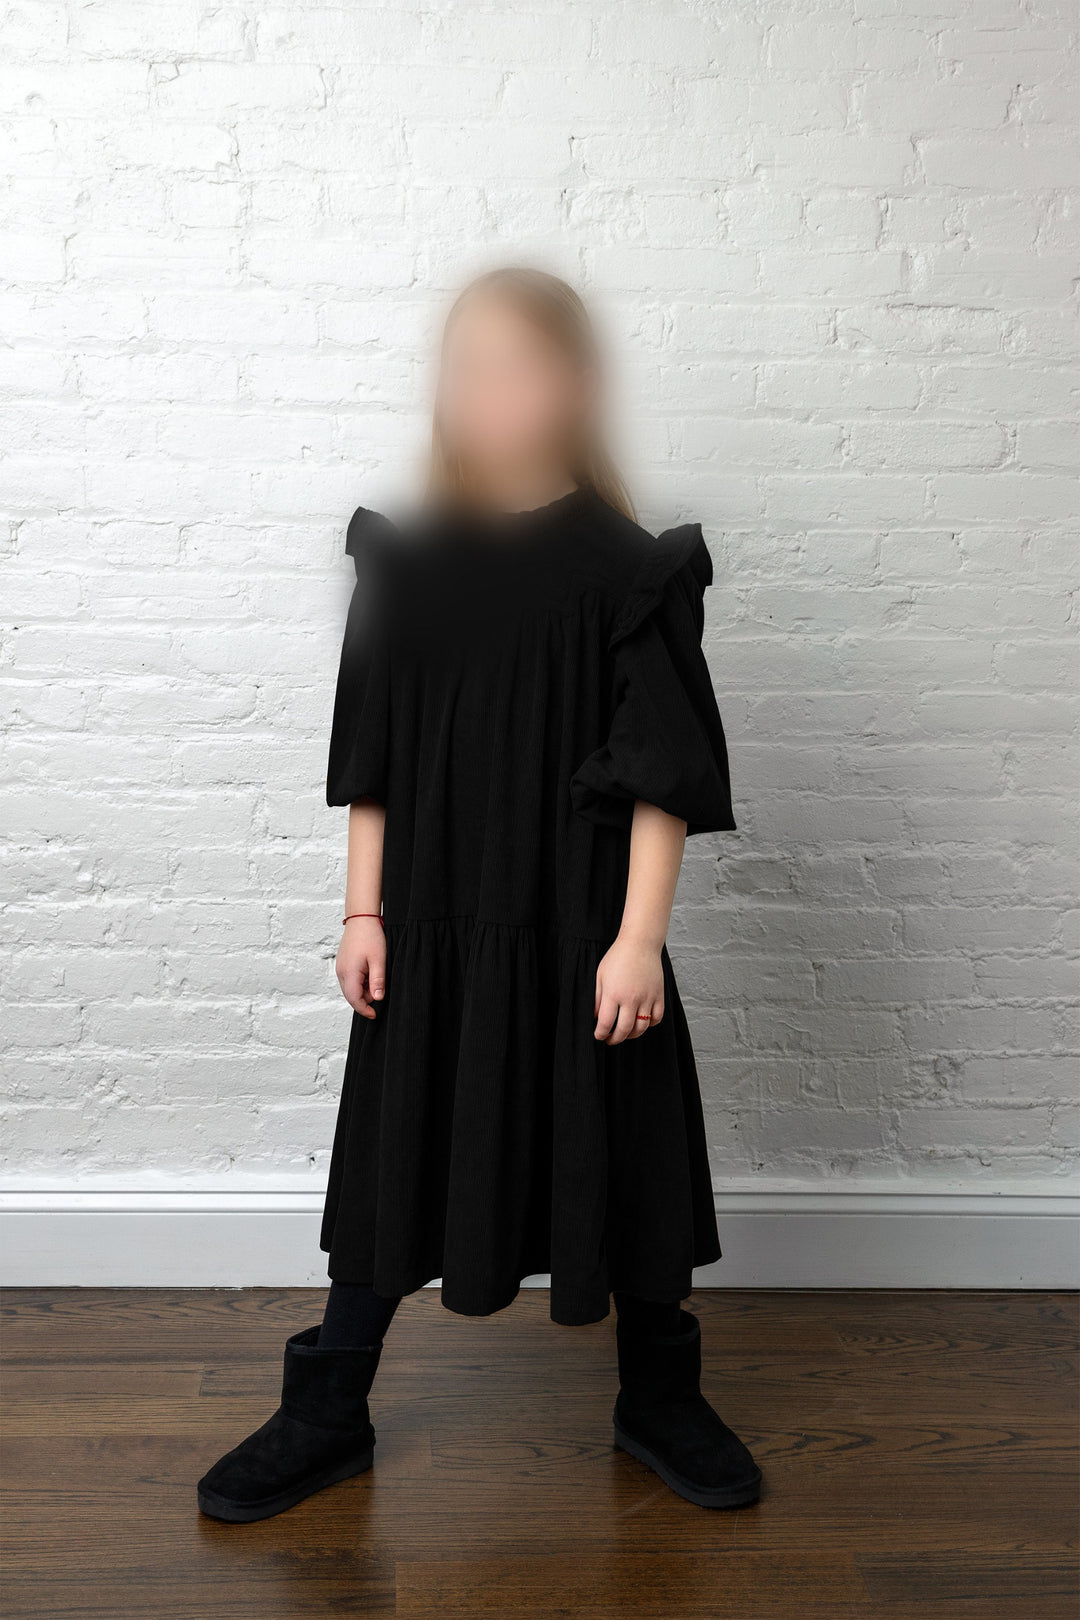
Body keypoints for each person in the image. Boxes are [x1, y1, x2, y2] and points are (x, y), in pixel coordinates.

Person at [197, 267, 761, 1523]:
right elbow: (375, 765)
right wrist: (363, 914)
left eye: (518, 366)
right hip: (435, 925)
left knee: (628, 1152)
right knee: (392, 1155)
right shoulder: (409, 566)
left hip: (583, 929)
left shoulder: (633, 571)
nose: (491, 392)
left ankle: (660, 1396)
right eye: (468, 369)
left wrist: (638, 941)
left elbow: (663, 778)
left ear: (577, 385)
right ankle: (327, 1409)